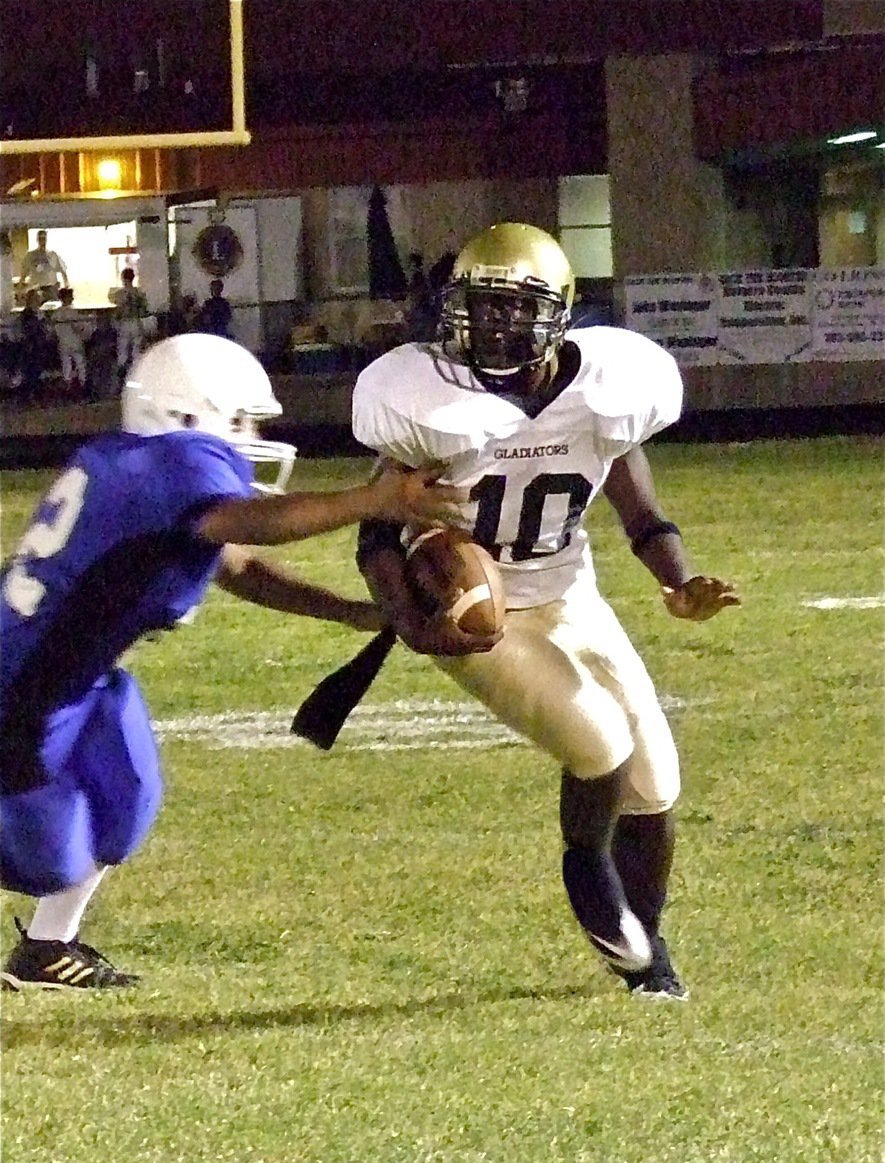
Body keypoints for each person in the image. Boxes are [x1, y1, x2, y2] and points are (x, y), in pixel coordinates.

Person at [0, 333, 464, 991]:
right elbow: (248, 525)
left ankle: (46, 949)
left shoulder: (135, 467)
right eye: (241, 419)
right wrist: (371, 501)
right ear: (190, 415)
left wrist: (355, 613)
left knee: (126, 794)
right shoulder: (172, 467)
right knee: (46, 859)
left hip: (74, 681)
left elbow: (238, 565)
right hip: (18, 700)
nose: (250, 436)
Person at [351, 223, 739, 1000]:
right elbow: (376, 533)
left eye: (512, 309)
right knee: (598, 745)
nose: (492, 326)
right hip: (475, 614)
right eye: (479, 308)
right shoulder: (429, 398)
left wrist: (678, 581)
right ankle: (619, 931)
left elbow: (642, 516)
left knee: (655, 782)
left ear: (559, 312)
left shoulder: (605, 393)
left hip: (567, 596)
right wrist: (406, 615)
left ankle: (643, 945)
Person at [112, 267, 149, 373]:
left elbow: (118, 310)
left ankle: (122, 372)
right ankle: (136, 371)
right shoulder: (139, 293)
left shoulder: (119, 294)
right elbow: (144, 310)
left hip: (124, 323)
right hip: (136, 322)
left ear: (123, 278)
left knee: (122, 348)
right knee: (136, 349)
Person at [51, 288, 88, 392]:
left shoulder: (57, 313)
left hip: (62, 342)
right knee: (80, 364)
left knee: (66, 365)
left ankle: (67, 384)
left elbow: (53, 329)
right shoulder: (72, 312)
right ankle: (82, 384)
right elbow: (78, 327)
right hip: (74, 342)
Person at [19, 230, 68, 303]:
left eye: (44, 238)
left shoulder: (52, 255)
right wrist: (21, 289)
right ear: (37, 240)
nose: (42, 241)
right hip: (36, 289)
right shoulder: (30, 255)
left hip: (50, 289)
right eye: (40, 238)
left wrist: (66, 285)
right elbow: (23, 273)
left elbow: (63, 271)